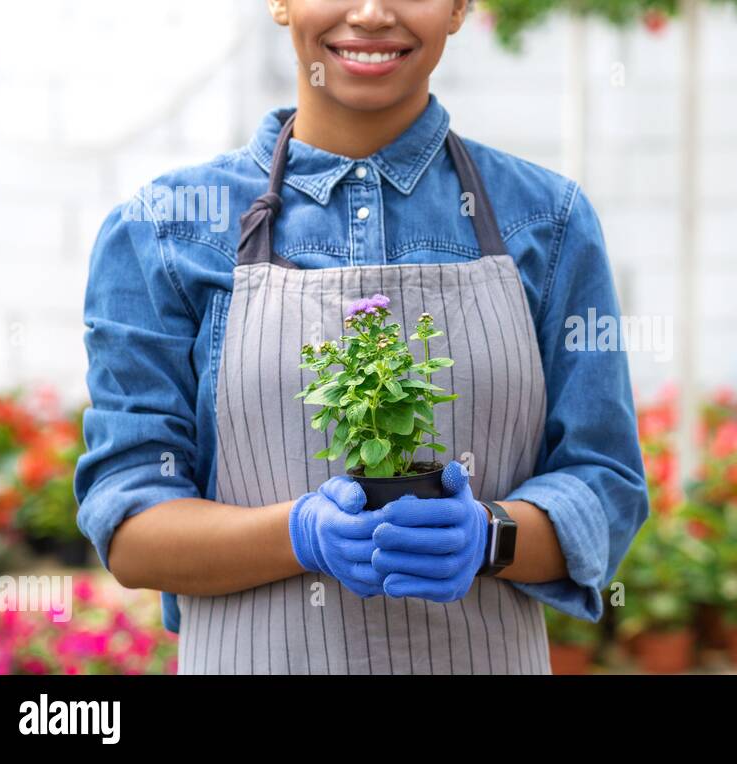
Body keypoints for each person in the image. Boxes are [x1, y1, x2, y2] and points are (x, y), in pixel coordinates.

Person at [74, 0, 647, 674]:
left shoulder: (548, 224)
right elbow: (132, 525)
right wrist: (299, 535)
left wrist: (489, 536)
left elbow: (605, 484)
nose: (372, 14)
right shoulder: (163, 231)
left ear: (461, 7)